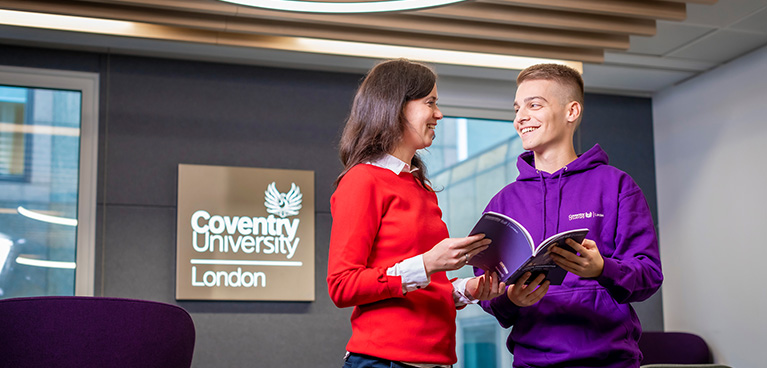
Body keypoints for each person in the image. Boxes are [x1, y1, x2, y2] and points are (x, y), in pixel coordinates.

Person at [476, 63, 663, 367]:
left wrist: (603, 269)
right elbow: (488, 292)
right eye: (516, 108)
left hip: (609, 361)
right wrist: (510, 299)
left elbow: (650, 275)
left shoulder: (616, 186)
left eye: (534, 105)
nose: (520, 117)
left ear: (571, 112)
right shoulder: (503, 203)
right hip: (531, 362)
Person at [327, 58, 505, 368]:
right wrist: (428, 263)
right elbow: (342, 285)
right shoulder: (362, 180)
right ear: (396, 107)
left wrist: (469, 289)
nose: (439, 114)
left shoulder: (419, 186)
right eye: (430, 103)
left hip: (437, 361)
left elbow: (427, 287)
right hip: (384, 362)